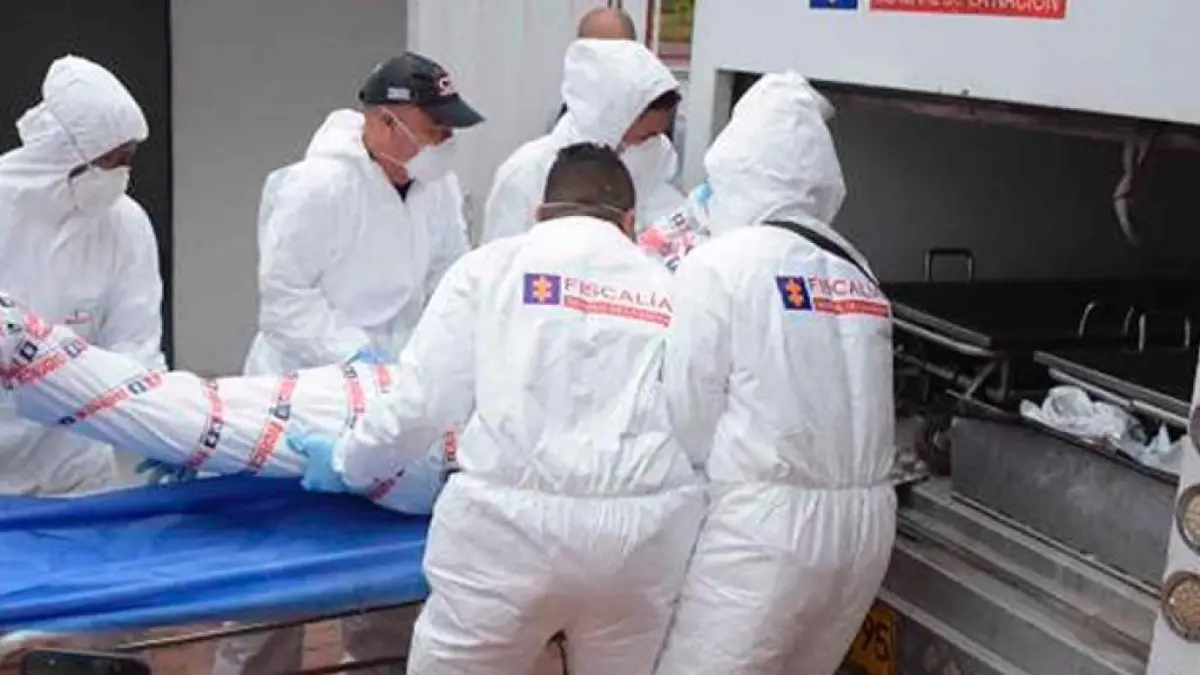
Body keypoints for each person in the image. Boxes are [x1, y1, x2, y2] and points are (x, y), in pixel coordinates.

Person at [294, 143, 706, 674]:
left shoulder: (489, 269)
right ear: (630, 221)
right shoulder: (675, 290)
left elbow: (421, 405)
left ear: (539, 212)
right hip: (642, 539)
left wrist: (350, 462)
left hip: (505, 535)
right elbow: (699, 418)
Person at [212, 52, 483, 675]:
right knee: (275, 577)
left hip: (393, 387)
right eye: (435, 127)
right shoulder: (317, 187)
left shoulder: (436, 187)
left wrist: (424, 364)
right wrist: (356, 359)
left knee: (382, 573)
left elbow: (450, 280)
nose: (446, 141)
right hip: (304, 389)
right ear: (385, 123)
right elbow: (285, 302)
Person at [652, 72, 898, 675]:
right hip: (866, 527)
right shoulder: (858, 272)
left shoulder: (721, 264)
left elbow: (686, 414)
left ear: (739, 174)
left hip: (766, 529)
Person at [0, 55, 165, 496]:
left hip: (74, 465)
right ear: (61, 152)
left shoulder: (125, 224)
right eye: (110, 160)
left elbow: (135, 342)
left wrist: (165, 427)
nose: (122, 174)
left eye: (129, 159)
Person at [482, 39, 684, 244]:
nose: (654, 140)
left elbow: (665, 215)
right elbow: (501, 251)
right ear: (614, 119)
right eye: (646, 134)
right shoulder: (527, 171)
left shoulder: (655, 155)